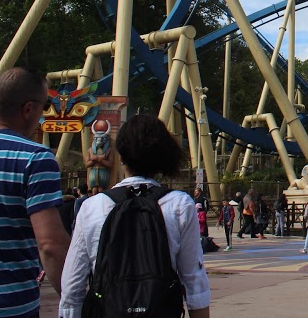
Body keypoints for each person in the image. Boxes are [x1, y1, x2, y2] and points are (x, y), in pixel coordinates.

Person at [58, 114, 210, 317]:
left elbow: (72, 287)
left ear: (121, 157)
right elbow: (194, 279)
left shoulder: (92, 206)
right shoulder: (180, 204)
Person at [0, 67, 69, 317]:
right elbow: (50, 244)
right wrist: (76, 300)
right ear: (28, 109)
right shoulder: (33, 158)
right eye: (44, 108)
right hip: (9, 305)